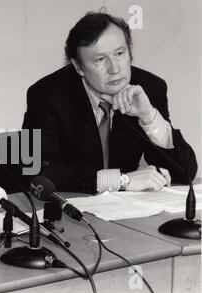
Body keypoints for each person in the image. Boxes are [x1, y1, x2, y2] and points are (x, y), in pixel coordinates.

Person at [22, 12, 197, 194]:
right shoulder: (46, 95)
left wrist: (149, 117)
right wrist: (121, 180)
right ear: (78, 67)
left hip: (124, 212)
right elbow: (36, 170)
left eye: (120, 53)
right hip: (71, 206)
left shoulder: (150, 88)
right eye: (100, 59)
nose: (115, 69)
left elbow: (185, 172)